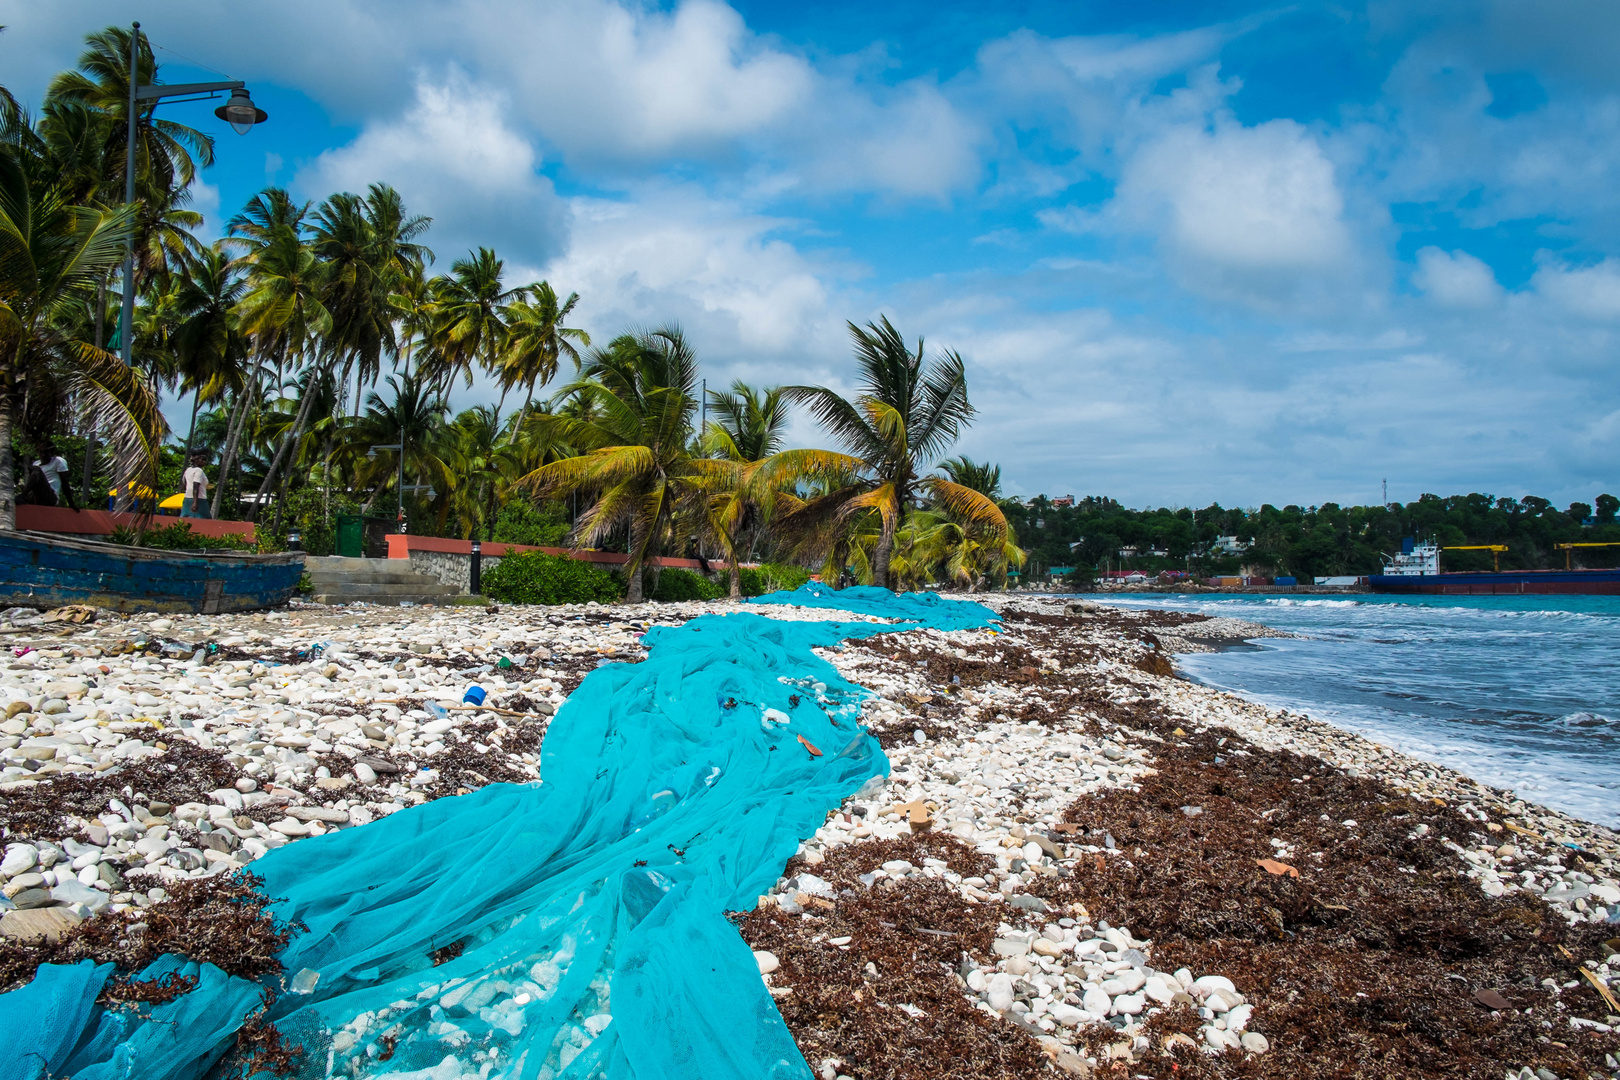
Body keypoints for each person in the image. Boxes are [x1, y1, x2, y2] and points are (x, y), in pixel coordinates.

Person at [31, 442, 74, 509]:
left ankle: (24, 495)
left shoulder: (58, 461)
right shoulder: (36, 463)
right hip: (37, 496)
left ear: (51, 452)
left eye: (46, 452)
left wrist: (71, 503)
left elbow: (65, 483)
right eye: (41, 452)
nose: (43, 455)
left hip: (50, 497)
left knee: (36, 470)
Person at [181, 455, 212, 519]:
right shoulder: (199, 471)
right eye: (202, 459)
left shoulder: (188, 470)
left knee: (185, 520)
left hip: (187, 499)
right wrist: (195, 503)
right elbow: (196, 486)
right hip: (199, 500)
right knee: (206, 521)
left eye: (205, 460)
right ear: (196, 460)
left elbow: (184, 485)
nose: (204, 462)